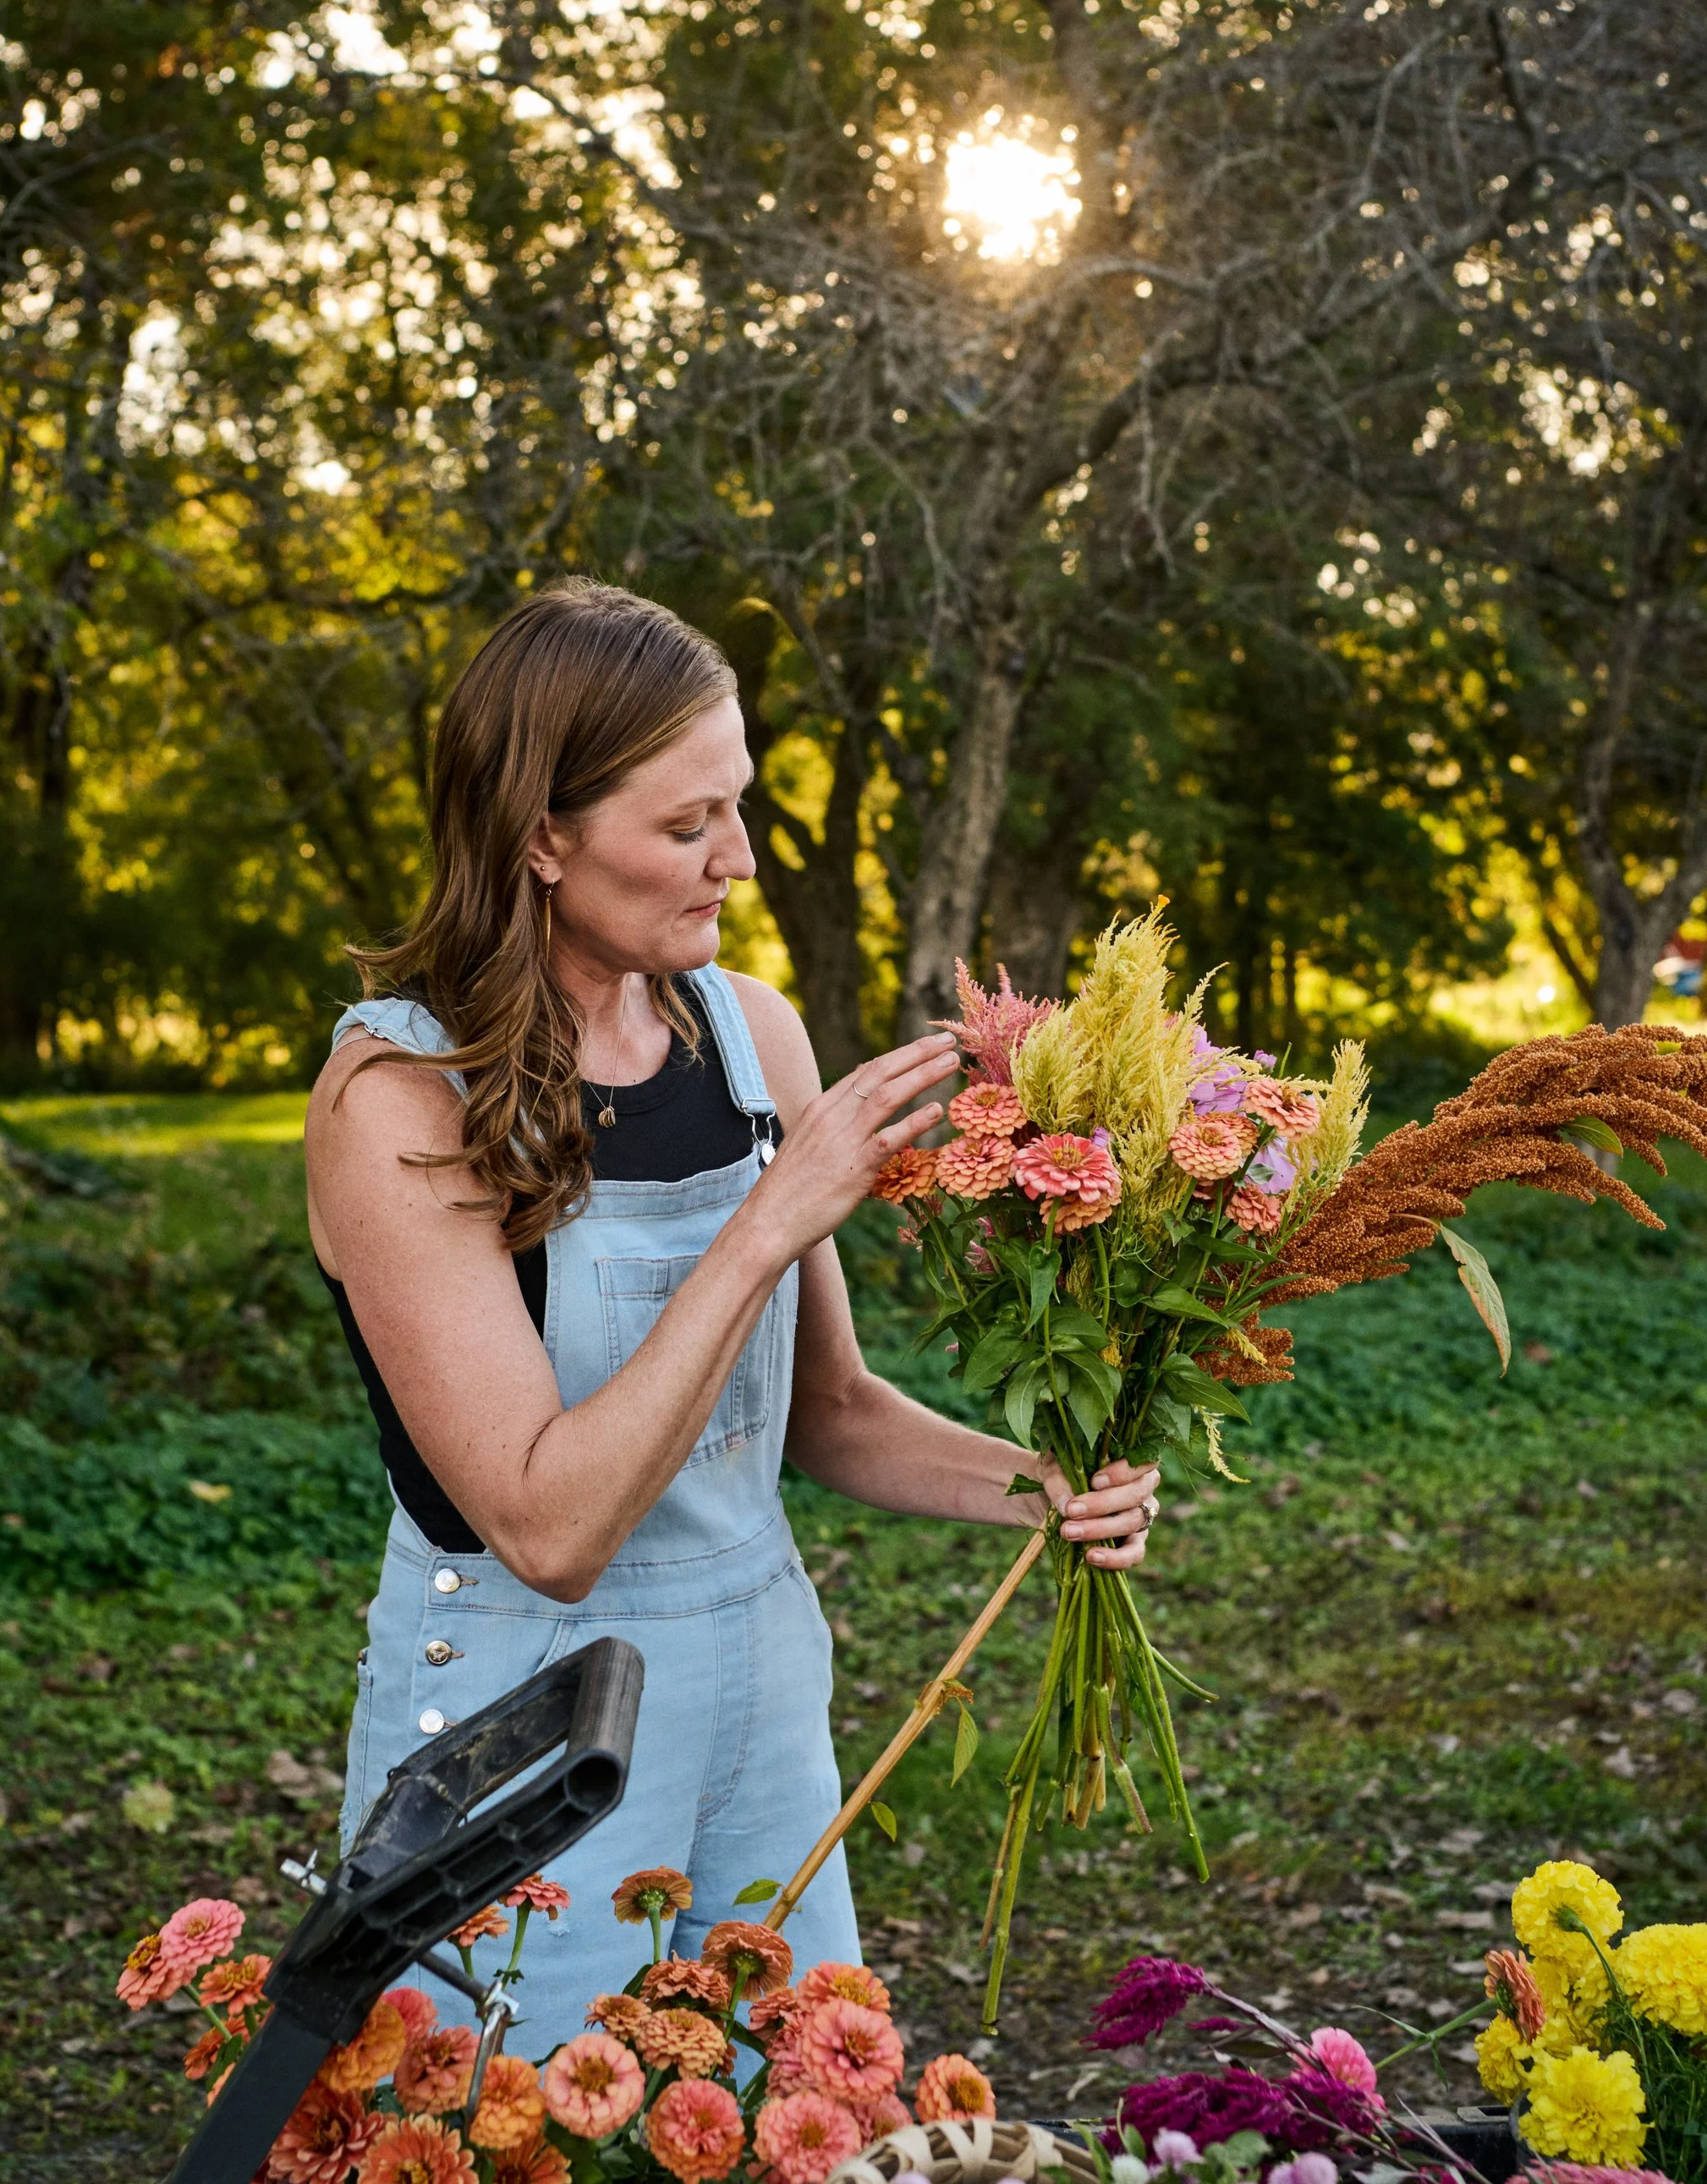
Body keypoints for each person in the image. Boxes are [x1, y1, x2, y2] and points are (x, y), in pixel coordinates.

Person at [304, 579, 1160, 2044]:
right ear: (541, 836)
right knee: (530, 2182)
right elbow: (550, 1525)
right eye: (688, 823)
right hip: (527, 1722)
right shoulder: (401, 1099)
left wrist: (1047, 1488)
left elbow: (827, 1409)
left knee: (793, 2143)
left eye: (739, 806)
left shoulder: (751, 1033)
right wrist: (772, 1218)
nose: (741, 860)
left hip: (760, 1686)